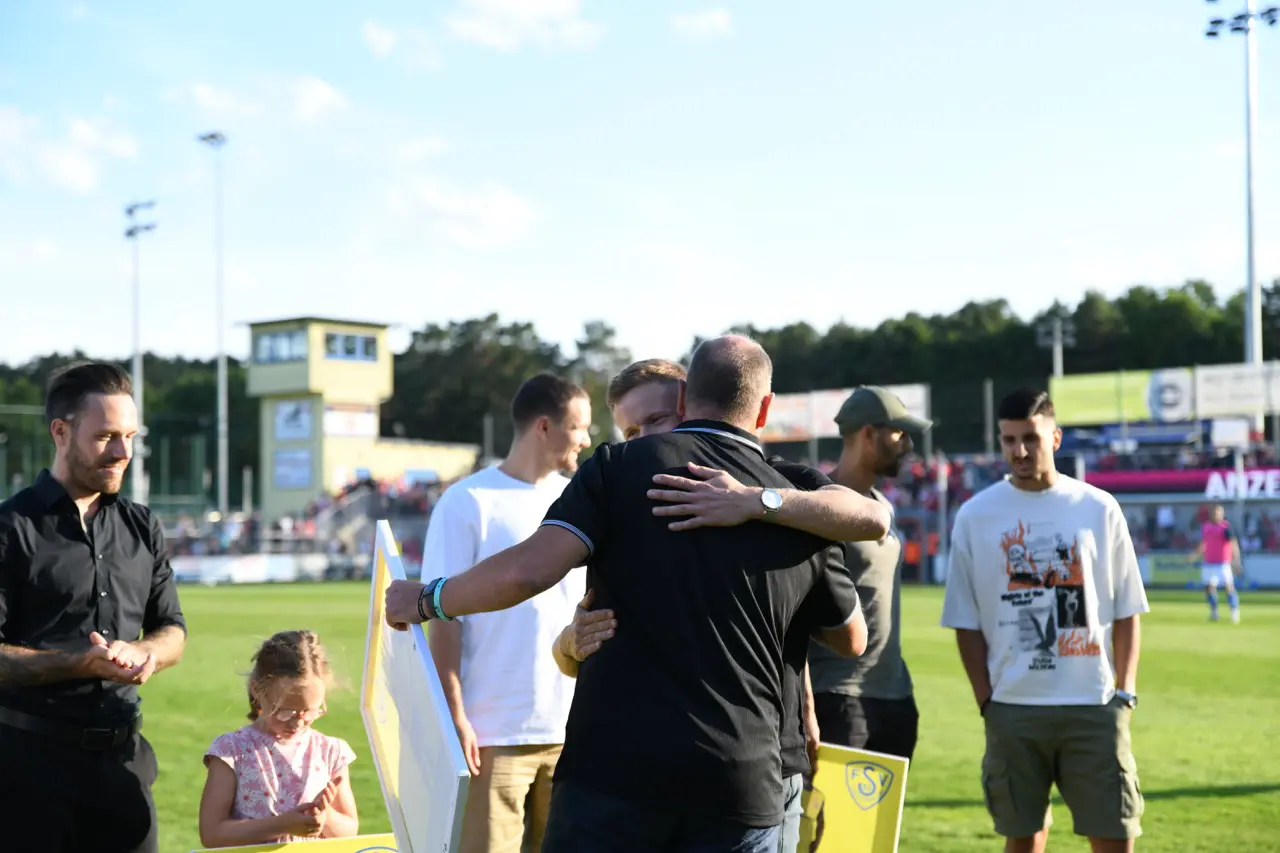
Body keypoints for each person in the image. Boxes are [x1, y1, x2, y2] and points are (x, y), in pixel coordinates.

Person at [387, 335, 884, 853]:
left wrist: (427, 599)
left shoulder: (618, 467)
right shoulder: (801, 499)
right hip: (743, 775)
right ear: (764, 409)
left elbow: (530, 571)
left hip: (613, 776)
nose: (641, 435)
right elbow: (850, 634)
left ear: (685, 399)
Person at [551, 357, 883, 853]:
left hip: (757, 763)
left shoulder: (785, 489)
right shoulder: (627, 492)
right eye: (630, 429)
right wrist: (566, 644)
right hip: (648, 773)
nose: (644, 438)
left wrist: (758, 501)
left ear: (689, 404)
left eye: (656, 421)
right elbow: (584, 644)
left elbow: (870, 523)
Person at [940, 388, 1149, 853]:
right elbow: (964, 621)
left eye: (1030, 439)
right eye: (1008, 440)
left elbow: (1128, 608)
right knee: (1024, 840)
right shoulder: (975, 516)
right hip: (1013, 707)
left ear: (1054, 438)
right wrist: (986, 701)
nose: (1019, 451)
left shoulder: (1098, 507)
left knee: (1115, 837)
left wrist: (1125, 693)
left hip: (1093, 704)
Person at [0, 361, 187, 853]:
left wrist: (148, 653)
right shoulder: (10, 528)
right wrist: (78, 663)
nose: (123, 452)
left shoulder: (142, 526)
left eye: (130, 435)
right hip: (28, 773)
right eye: (106, 437)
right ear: (61, 432)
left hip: (125, 767)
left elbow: (172, 628)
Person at [423, 373, 592, 853]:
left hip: (573, 732)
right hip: (493, 734)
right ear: (544, 426)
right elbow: (442, 613)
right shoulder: (467, 502)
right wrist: (454, 714)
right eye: (579, 427)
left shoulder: (580, 499)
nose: (586, 439)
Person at [807, 386, 932, 762]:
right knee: (837, 824)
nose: (907, 444)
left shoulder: (882, 505)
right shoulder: (814, 503)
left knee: (886, 824)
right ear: (868, 434)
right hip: (840, 699)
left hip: (894, 698)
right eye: (899, 433)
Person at [198, 629, 359, 846]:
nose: (298, 722)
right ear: (257, 690)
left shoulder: (330, 752)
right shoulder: (231, 751)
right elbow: (212, 834)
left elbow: (350, 829)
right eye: (285, 711)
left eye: (311, 711)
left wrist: (323, 816)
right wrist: (283, 824)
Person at [1192, 505, 1241, 624]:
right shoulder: (1206, 527)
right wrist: (1194, 555)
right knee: (1209, 588)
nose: (1216, 515)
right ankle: (1214, 612)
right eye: (1214, 512)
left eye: (1219, 512)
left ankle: (1234, 611)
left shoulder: (1226, 527)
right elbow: (1204, 543)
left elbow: (1233, 544)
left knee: (1229, 587)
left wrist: (1236, 560)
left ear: (1222, 514)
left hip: (1223, 563)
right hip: (1209, 563)